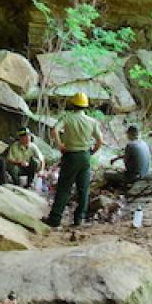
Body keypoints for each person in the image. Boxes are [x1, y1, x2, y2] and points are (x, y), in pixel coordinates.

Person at [45, 92, 104, 227]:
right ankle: (79, 219)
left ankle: (55, 219)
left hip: (70, 155)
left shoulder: (67, 118)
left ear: (72, 104)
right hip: (85, 156)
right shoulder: (91, 121)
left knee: (64, 187)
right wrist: (92, 152)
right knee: (83, 189)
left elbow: (54, 130)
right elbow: (100, 140)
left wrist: (60, 145)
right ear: (85, 106)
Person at [107, 125, 151, 190]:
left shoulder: (130, 145)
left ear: (130, 134)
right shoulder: (144, 143)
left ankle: (121, 189)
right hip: (145, 174)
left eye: (127, 134)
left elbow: (125, 162)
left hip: (135, 177)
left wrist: (118, 165)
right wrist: (116, 158)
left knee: (106, 174)